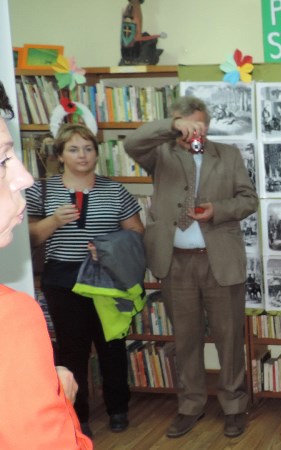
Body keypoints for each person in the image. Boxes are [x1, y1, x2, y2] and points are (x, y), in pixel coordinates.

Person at [123, 96, 258, 439]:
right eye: (187, 125)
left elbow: (248, 200)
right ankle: (190, 405)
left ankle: (233, 406)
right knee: (185, 340)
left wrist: (218, 210)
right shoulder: (159, 153)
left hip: (219, 261)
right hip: (176, 263)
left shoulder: (227, 155)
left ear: (208, 126)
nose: (193, 132)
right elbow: (132, 142)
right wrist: (172, 127)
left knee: (229, 339)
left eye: (199, 125)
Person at [27, 123, 144, 437]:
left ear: (96, 153)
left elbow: (136, 233)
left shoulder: (115, 190)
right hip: (62, 280)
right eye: (74, 149)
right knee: (72, 350)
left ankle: (118, 409)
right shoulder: (42, 190)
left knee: (112, 345)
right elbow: (29, 237)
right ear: (61, 155)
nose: (82, 155)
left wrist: (109, 248)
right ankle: (77, 416)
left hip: (106, 279)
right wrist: (54, 221)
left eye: (88, 148)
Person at [0, 82, 92, 449]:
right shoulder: (11, 315)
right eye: (3, 160)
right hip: (61, 278)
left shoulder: (112, 190)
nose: (24, 177)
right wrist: (58, 402)